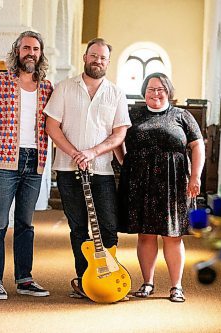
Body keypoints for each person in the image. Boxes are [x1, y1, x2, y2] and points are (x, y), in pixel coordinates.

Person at [44, 38, 131, 298]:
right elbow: (51, 127)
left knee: (107, 226)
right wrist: (75, 154)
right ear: (85, 57)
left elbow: (119, 134)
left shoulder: (116, 93)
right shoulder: (64, 88)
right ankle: (86, 282)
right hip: (69, 170)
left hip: (102, 170)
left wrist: (92, 153)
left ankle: (111, 276)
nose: (98, 61)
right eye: (94, 56)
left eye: (103, 58)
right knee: (79, 227)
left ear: (107, 62)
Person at [115, 72, 205, 303]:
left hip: (173, 182)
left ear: (168, 92)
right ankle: (147, 283)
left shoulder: (181, 115)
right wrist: (126, 162)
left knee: (172, 235)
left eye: (160, 89)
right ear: (144, 92)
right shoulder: (132, 114)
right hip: (140, 182)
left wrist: (195, 176)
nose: (155, 93)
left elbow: (197, 146)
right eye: (151, 89)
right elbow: (117, 139)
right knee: (145, 235)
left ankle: (176, 286)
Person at [0, 31, 53, 300]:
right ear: (17, 51)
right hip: (5, 162)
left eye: (35, 48)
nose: (30, 52)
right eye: (26, 48)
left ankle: (24, 279)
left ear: (40, 54)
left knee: (26, 223)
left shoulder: (47, 88)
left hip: (35, 161)